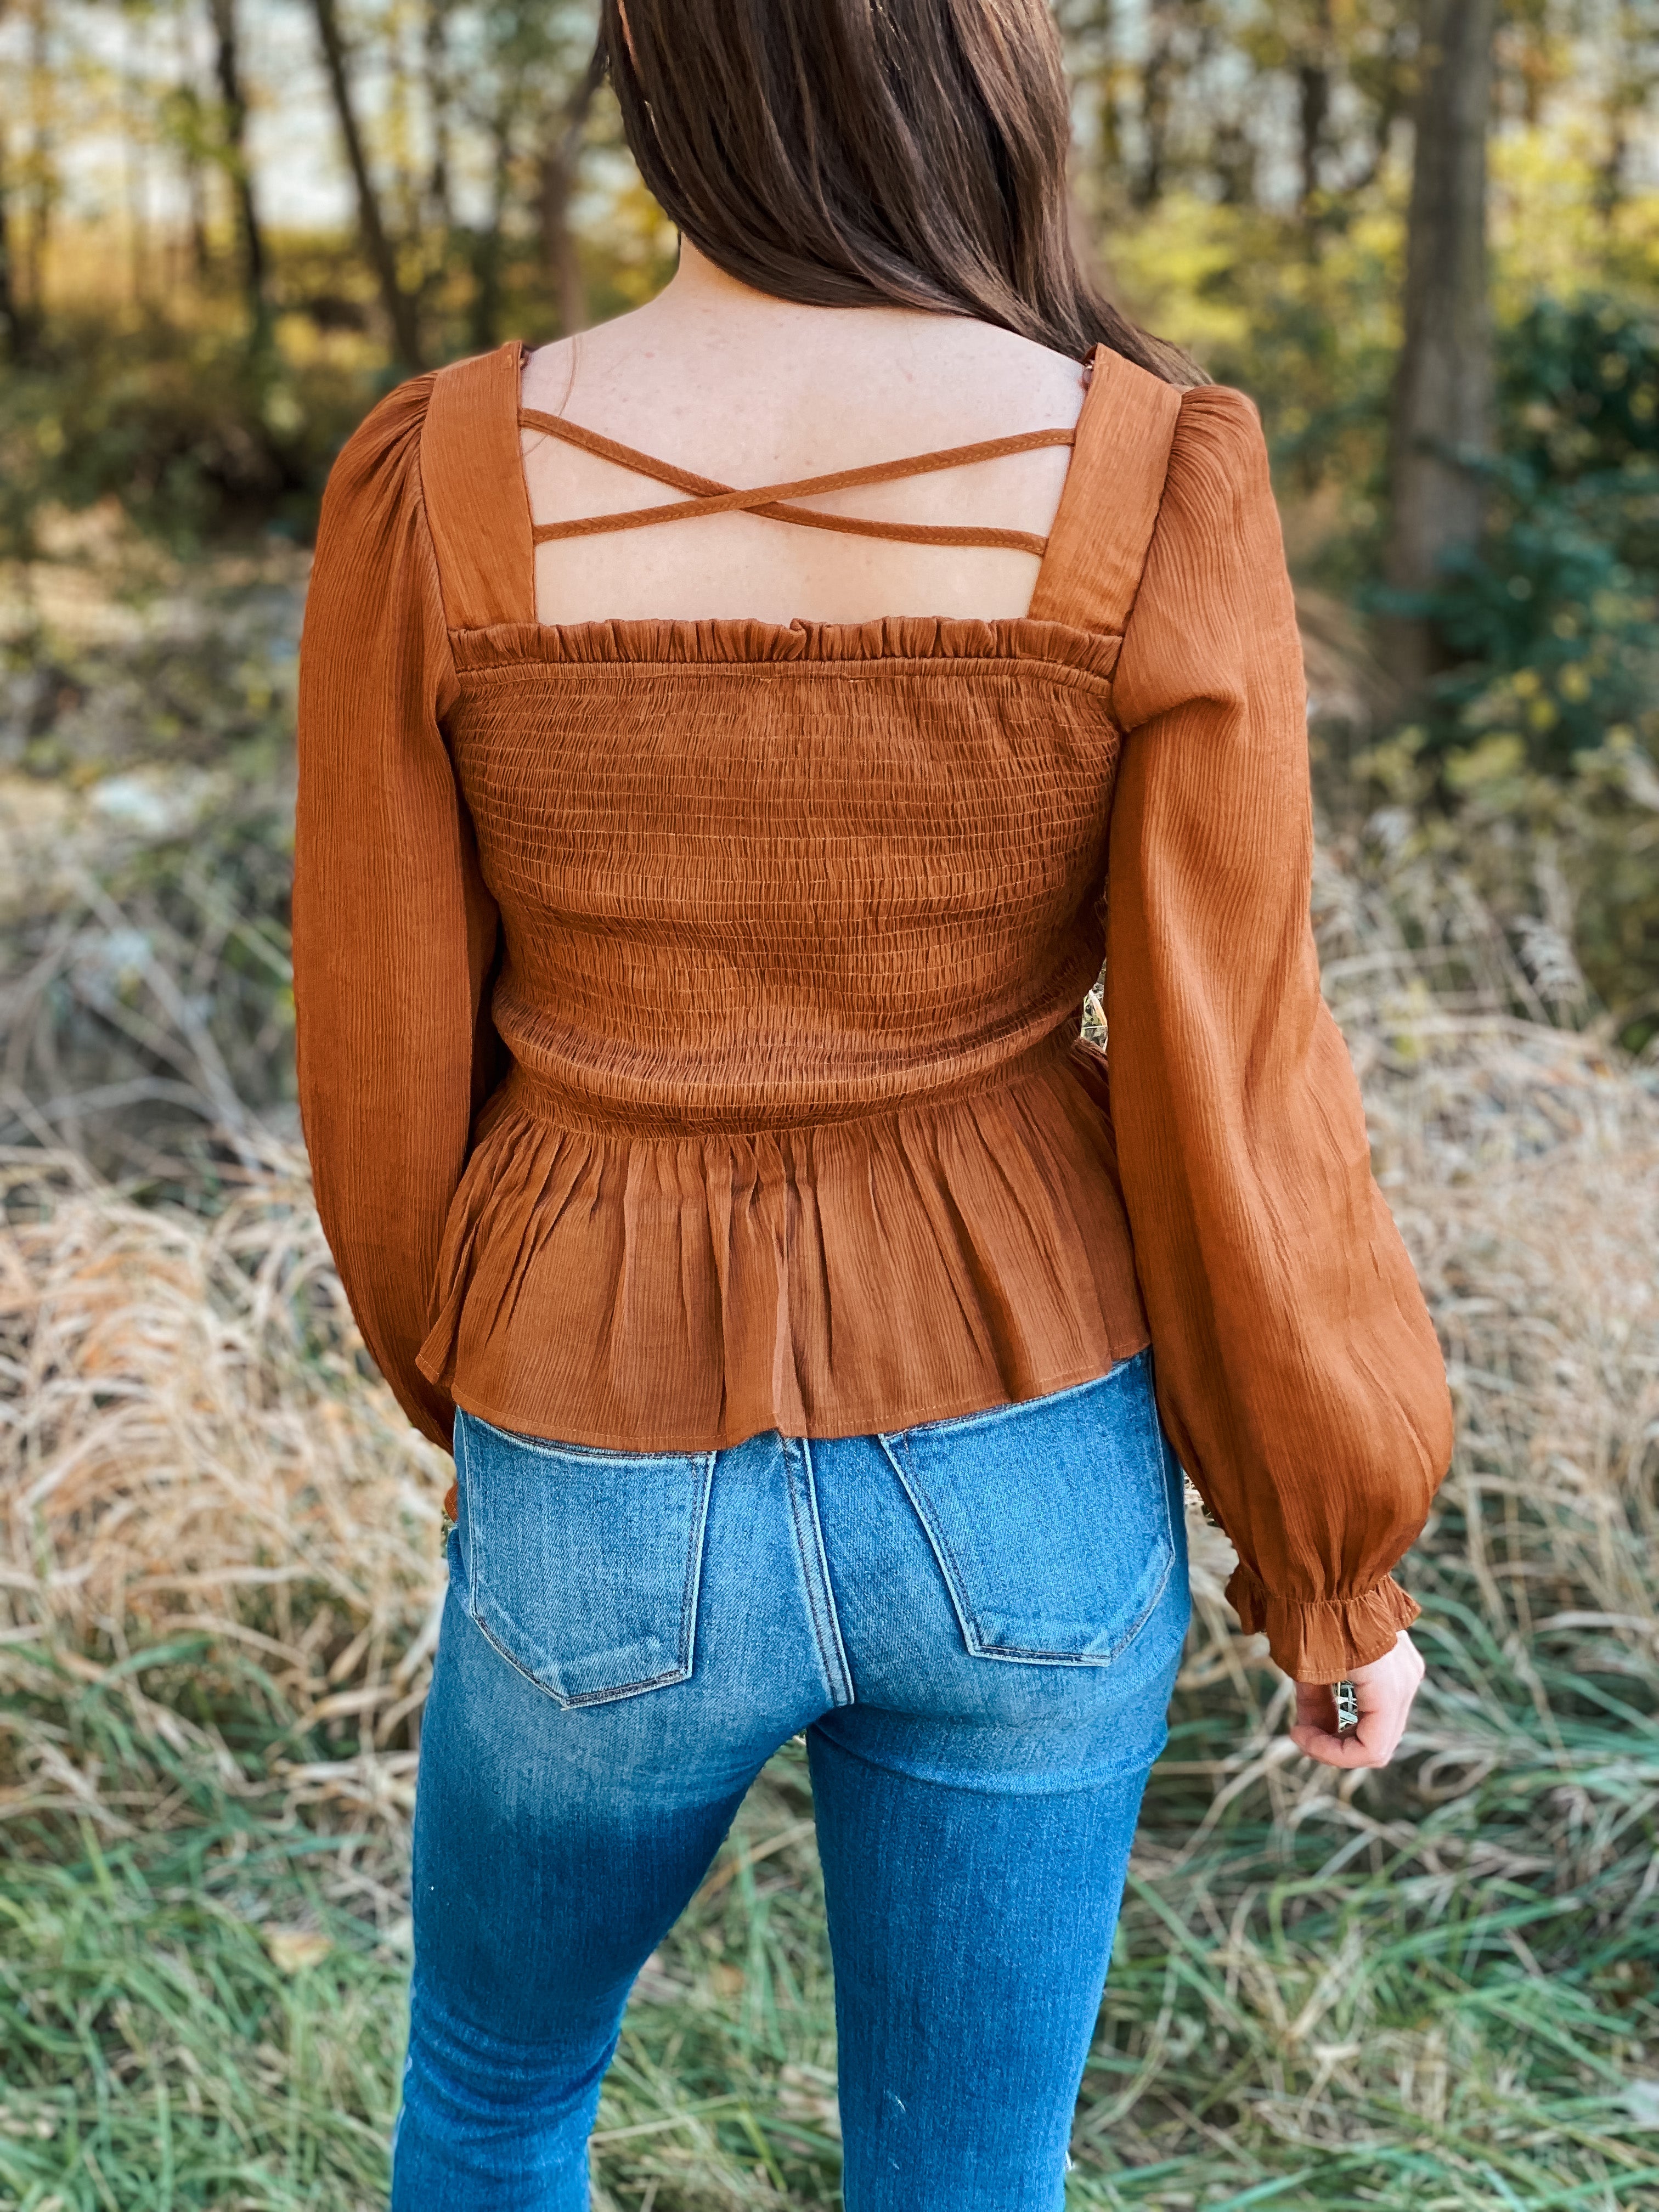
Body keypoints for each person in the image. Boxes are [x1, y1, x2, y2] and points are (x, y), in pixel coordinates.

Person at [292, 1, 1453, 2203]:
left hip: (596, 1458)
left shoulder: (434, 475)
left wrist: (483, 1392)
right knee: (966, 2176)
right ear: (976, 74)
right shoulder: (1149, 470)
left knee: (497, 2103)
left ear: (665, 80)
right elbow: (1240, 1077)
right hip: (1029, 1463)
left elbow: (376, 1043)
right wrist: (1331, 1561)